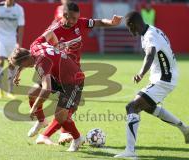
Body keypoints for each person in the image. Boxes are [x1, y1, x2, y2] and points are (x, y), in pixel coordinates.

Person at [27, 1, 123, 145]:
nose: (74, 22)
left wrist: (111, 22)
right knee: (33, 93)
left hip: (71, 74)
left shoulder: (79, 23)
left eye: (76, 18)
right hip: (54, 71)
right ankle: (42, 122)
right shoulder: (54, 29)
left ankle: (53, 135)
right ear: (64, 15)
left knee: (66, 110)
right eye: (71, 18)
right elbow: (40, 44)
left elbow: (97, 22)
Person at [114, 11, 189, 158]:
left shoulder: (149, 36)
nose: (129, 31)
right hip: (164, 77)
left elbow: (150, 53)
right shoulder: (152, 30)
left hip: (164, 79)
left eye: (129, 28)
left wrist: (141, 73)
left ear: (132, 25)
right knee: (149, 108)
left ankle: (130, 151)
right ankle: (185, 129)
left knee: (132, 106)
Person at [8, 36, 85, 152]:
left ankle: (78, 138)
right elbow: (48, 33)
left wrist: (34, 108)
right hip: (59, 76)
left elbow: (47, 89)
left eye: (20, 65)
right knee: (33, 93)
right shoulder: (34, 46)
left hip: (72, 82)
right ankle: (41, 121)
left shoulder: (42, 63)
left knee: (60, 116)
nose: (22, 67)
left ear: (24, 61)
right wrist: (18, 73)